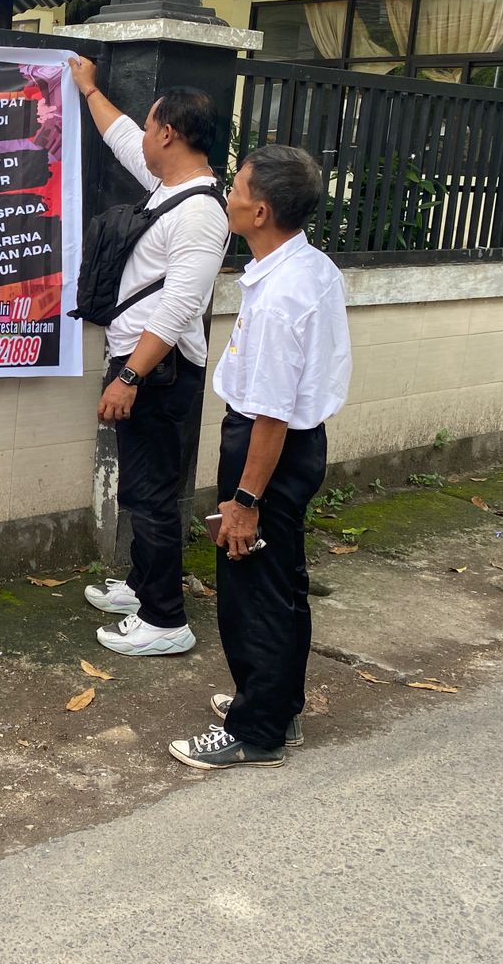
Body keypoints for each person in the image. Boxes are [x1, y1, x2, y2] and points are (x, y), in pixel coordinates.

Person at [169, 144, 351, 769]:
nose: (229, 197)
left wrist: (244, 501)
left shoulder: (280, 296)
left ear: (262, 211)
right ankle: (276, 704)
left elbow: (272, 412)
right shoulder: (307, 267)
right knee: (280, 581)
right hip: (293, 446)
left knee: (254, 588)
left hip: (266, 448)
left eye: (238, 189)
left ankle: (257, 731)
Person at [70, 60, 230, 659]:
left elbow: (181, 306)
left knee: (152, 496)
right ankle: (141, 588)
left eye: (150, 124)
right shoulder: (169, 187)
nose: (141, 133)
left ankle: (166, 620)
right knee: (141, 489)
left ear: (167, 133)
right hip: (142, 368)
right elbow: (120, 137)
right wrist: (89, 88)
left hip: (159, 373)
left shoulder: (200, 213)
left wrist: (130, 376)